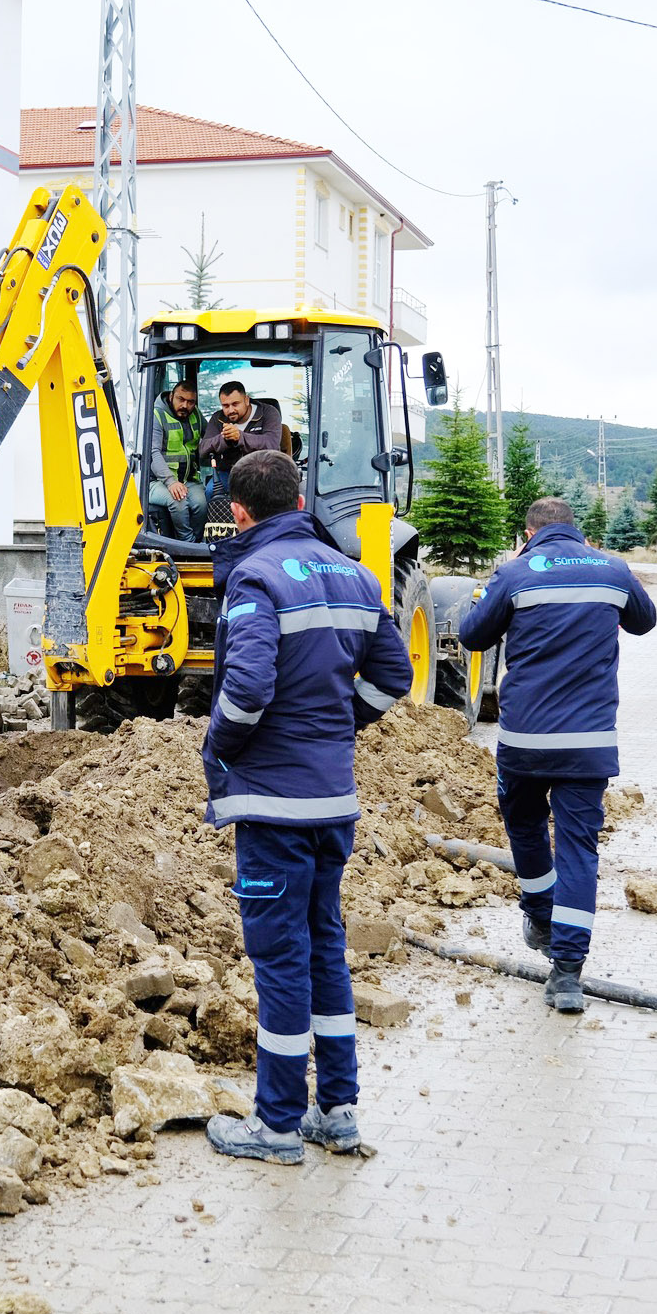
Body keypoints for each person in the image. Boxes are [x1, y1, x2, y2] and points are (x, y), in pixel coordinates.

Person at [200, 450, 413, 1164]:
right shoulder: (355, 573)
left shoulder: (255, 578)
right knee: (325, 946)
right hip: (333, 802)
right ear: (298, 497)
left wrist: (220, 746)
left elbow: (250, 686)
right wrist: (339, 724)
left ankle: (279, 1125)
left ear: (238, 511)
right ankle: (338, 1111)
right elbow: (394, 675)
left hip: (275, 806)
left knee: (281, 958)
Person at [459, 495, 656, 1013]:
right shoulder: (612, 569)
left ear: (529, 533)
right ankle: (566, 975)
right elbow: (644, 622)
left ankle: (541, 916)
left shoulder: (515, 573)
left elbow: (472, 637)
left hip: (525, 741)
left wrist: (476, 603)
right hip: (589, 744)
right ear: (577, 531)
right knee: (579, 850)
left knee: (524, 825)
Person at [197, 383, 285, 504]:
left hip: (263, 472)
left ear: (247, 400)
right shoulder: (218, 418)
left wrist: (240, 437)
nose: (231, 410)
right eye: (225, 406)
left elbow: (271, 444)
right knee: (210, 491)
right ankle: (216, 523)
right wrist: (225, 439)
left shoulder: (268, 413)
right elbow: (203, 449)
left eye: (235, 404)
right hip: (229, 473)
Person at [146, 381, 207, 540]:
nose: (185, 405)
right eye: (181, 399)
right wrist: (170, 481)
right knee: (178, 501)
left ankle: (197, 542)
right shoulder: (157, 415)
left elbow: (210, 438)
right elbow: (153, 452)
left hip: (188, 480)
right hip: (156, 482)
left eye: (190, 402)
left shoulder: (196, 415)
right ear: (172, 396)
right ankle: (185, 544)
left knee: (202, 504)